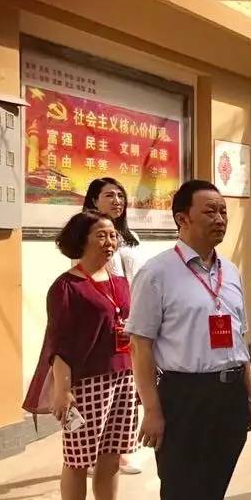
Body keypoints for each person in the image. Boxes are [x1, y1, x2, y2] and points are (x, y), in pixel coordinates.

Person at [128, 180, 251, 500]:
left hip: (228, 396)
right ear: (181, 218)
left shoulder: (231, 272)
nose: (220, 219)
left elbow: (238, 339)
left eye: (223, 211)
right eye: (210, 211)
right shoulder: (158, 273)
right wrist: (153, 410)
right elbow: (141, 346)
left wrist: (249, 396)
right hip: (183, 397)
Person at [24, 210, 141, 500]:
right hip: (86, 383)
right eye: (101, 235)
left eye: (113, 235)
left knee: (112, 454)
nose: (110, 242)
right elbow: (58, 344)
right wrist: (63, 389)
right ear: (82, 240)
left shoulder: (120, 283)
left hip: (123, 376)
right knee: (77, 459)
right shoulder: (66, 287)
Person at [83, 176, 143, 474]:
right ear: (94, 200)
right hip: (104, 318)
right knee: (100, 388)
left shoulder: (129, 238)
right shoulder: (86, 235)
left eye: (120, 195)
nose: (117, 200)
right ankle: (92, 453)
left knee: (129, 387)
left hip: (131, 318)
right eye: (109, 195)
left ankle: (121, 451)